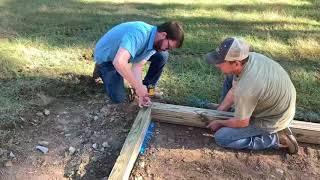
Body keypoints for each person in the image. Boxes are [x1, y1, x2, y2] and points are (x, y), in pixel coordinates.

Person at [204, 37, 299, 154]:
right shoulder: (248, 58)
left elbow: (242, 123)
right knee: (230, 77)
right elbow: (234, 90)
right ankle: (231, 112)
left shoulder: (246, 87)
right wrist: (219, 113)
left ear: (237, 63)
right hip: (276, 101)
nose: (217, 65)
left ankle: (276, 138)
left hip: (273, 118)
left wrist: (220, 122)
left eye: (220, 62)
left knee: (222, 137)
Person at [93, 21, 184, 107]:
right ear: (163, 34)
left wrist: (140, 93)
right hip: (106, 58)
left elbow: (137, 66)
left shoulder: (155, 42)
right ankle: (100, 69)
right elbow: (119, 62)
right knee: (118, 98)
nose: (166, 49)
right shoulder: (139, 34)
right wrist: (138, 87)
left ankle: (149, 88)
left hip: (122, 55)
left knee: (162, 55)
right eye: (168, 46)